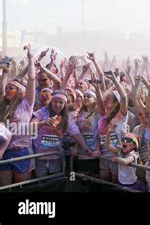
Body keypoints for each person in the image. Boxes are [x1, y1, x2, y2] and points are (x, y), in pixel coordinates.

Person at [31, 91, 93, 177]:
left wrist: (86, 148)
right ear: (51, 101)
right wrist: (43, 123)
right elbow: (30, 126)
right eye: (55, 101)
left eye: (61, 102)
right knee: (40, 182)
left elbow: (77, 134)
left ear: (65, 104)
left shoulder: (67, 118)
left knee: (55, 181)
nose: (57, 105)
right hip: (40, 156)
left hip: (56, 156)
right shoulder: (43, 111)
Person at [0, 46, 36, 186]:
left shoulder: (26, 104)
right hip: (4, 151)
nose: (8, 90)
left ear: (20, 90)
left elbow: (32, 79)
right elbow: (1, 89)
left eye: (11, 88)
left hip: (21, 151)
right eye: (7, 88)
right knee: (5, 187)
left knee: (20, 188)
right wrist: (5, 72)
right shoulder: (3, 106)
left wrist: (31, 58)